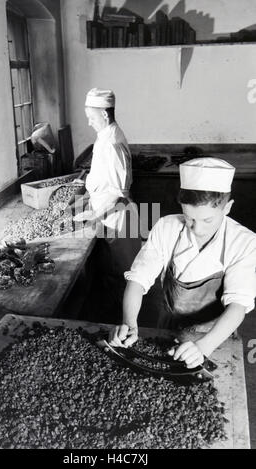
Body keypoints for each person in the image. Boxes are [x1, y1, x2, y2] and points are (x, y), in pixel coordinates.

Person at [109, 157, 256, 368]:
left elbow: (238, 305)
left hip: (215, 334)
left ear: (227, 208)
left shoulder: (244, 242)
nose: (197, 229)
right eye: (189, 218)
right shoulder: (167, 227)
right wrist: (129, 321)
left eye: (207, 220)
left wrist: (204, 347)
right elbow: (138, 280)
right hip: (169, 326)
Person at [74, 88, 141, 323]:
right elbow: (105, 179)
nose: (88, 121)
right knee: (111, 268)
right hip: (107, 214)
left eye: (91, 116)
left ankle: (123, 321)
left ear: (104, 114)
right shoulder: (105, 135)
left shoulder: (112, 142)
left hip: (116, 216)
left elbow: (117, 191)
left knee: (120, 270)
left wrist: (93, 215)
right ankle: (115, 314)